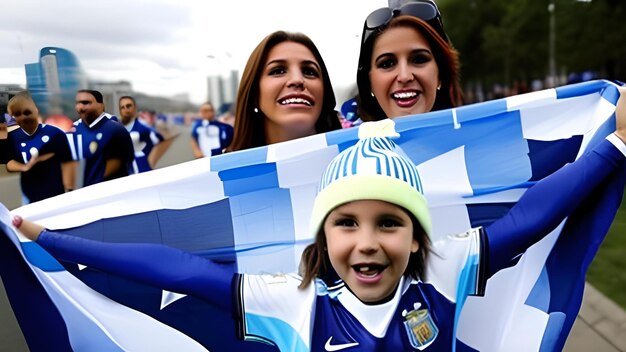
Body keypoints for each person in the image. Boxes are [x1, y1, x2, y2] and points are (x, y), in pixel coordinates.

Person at [10, 86, 626, 350]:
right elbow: (179, 268)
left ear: (416, 237)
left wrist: (614, 146)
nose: (367, 242)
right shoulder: (289, 301)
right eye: (346, 223)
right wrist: (57, 241)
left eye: (390, 223)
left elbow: (529, 218)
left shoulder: (447, 268)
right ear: (323, 233)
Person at [227, 31, 341, 152]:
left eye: (309, 72)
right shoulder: (221, 169)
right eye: (278, 71)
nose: (297, 80)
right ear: (254, 93)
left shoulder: (359, 154)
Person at [355, 0, 464, 122]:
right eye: (387, 63)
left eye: (419, 60)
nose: (405, 76)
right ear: (369, 81)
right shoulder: (338, 141)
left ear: (441, 74)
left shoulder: (480, 137)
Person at [4, 92, 73, 204]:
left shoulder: (55, 133)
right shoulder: (12, 138)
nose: (23, 117)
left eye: (27, 112)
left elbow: (68, 162)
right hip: (29, 198)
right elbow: (9, 163)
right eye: (17, 114)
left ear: (36, 110)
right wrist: (25, 167)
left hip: (56, 195)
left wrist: (69, 189)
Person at [66, 90, 134, 188]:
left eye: (86, 103)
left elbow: (120, 163)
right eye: (78, 103)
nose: (81, 107)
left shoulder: (115, 129)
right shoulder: (73, 129)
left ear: (101, 105)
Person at [118, 95, 172, 172]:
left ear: (135, 108)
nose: (126, 109)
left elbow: (160, 140)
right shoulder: (116, 127)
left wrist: (151, 159)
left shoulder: (144, 128)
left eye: (128, 106)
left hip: (141, 168)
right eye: (122, 107)